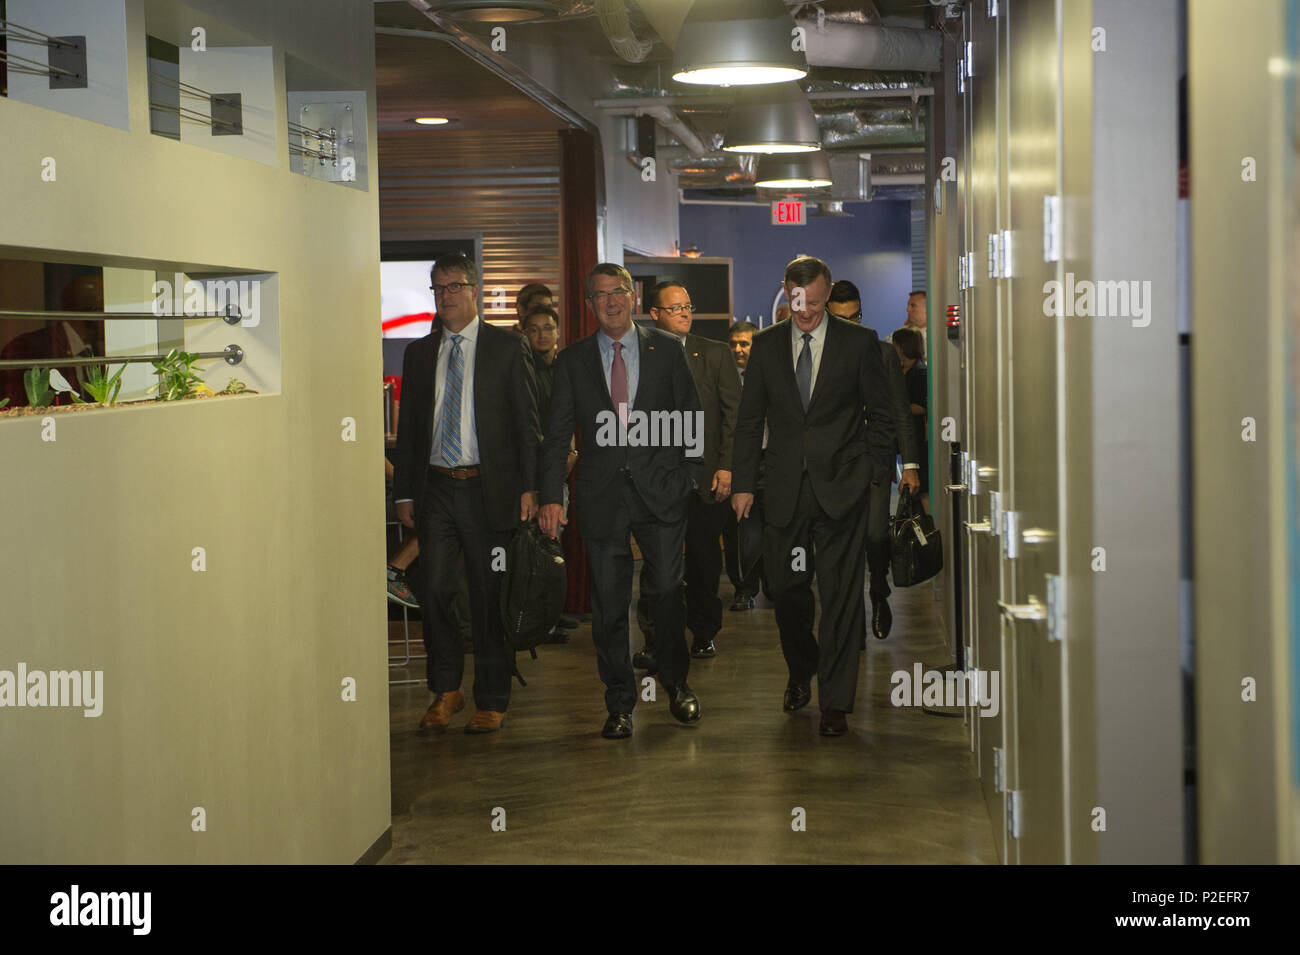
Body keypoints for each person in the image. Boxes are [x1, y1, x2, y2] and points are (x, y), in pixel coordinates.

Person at [731, 256, 899, 737]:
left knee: (843, 595)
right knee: (785, 589)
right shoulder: (764, 347)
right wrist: (743, 482)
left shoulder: (860, 344)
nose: (806, 315)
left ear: (828, 297)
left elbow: (880, 416)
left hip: (842, 489)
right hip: (783, 489)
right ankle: (802, 666)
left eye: (816, 305)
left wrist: (872, 471)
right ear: (786, 292)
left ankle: (836, 701)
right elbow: (748, 421)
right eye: (798, 305)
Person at [539, 263, 704, 740]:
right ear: (589, 304)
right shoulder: (572, 361)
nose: (610, 302)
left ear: (634, 298)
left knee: (668, 594)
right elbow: (555, 437)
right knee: (609, 607)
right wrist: (553, 495)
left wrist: (690, 477)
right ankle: (619, 704)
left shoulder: (667, 350)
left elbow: (690, 415)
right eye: (599, 296)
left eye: (617, 293)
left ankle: (677, 682)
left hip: (662, 492)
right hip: (601, 496)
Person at [392, 251, 540, 735]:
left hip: (489, 490)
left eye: (455, 286)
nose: (446, 297)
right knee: (433, 588)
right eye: (438, 289)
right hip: (435, 488)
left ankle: (492, 695)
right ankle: (446, 689)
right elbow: (411, 429)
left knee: (487, 592)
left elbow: (526, 423)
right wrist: (405, 494)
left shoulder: (505, 347)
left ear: (475, 290)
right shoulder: (419, 353)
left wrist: (531, 487)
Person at [640, 280, 740, 661]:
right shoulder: (642, 354)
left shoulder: (714, 354)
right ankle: (654, 639)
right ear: (655, 315)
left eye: (688, 305)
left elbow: (735, 416)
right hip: (656, 478)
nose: (684, 312)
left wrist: (728, 467)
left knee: (703, 560)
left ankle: (702, 630)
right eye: (674, 307)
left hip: (707, 477)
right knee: (657, 562)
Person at [826, 281, 920, 640]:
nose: (850, 326)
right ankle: (851, 623)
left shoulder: (881, 354)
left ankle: (879, 592)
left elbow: (900, 410)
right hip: (834, 464)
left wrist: (909, 464)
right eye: (841, 319)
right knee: (841, 544)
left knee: (876, 535)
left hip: (876, 461)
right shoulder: (819, 353)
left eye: (855, 318)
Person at [522, 303, 580, 639]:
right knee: (529, 549)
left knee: (552, 545)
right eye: (534, 328)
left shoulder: (566, 369)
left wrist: (570, 454)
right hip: (526, 472)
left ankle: (550, 618)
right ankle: (531, 620)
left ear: (558, 332)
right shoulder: (520, 370)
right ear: (524, 333)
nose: (542, 334)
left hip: (560, 467)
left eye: (548, 328)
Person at [724, 320, 762, 610]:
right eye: (734, 343)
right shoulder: (723, 377)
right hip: (736, 463)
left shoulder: (769, 375)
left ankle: (774, 585)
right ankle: (744, 587)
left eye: (744, 343)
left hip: (769, 460)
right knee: (740, 530)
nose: (738, 349)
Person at [892, 326, 930, 514]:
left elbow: (923, 405)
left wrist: (898, 408)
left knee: (923, 491)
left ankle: (932, 531)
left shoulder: (920, 373)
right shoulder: (902, 372)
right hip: (908, 438)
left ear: (900, 347)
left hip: (918, 440)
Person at [905, 290, 927, 360]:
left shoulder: (938, 337)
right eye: (908, 305)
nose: (907, 309)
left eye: (913, 305)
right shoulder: (901, 334)